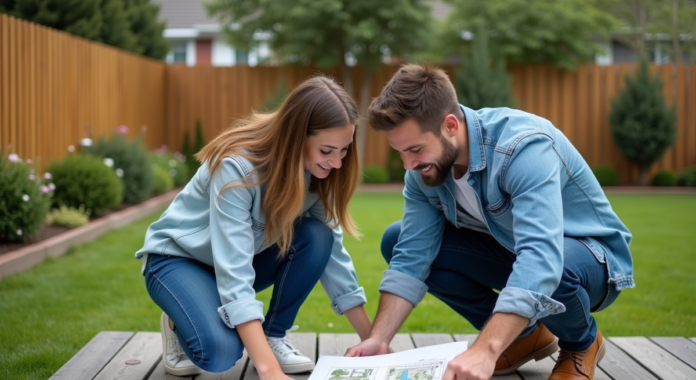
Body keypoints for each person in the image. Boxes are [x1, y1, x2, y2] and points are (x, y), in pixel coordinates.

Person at [345, 64, 634, 380]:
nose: (409, 164)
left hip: (592, 261)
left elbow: (541, 257)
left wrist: (485, 350)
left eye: (415, 149)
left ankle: (581, 343)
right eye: (400, 153)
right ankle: (526, 337)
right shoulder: (423, 172)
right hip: (516, 252)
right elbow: (412, 255)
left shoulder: (523, 148)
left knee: (556, 264)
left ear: (450, 125)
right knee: (396, 237)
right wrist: (379, 338)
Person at [136, 76, 372, 378]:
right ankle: (176, 319)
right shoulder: (237, 168)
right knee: (220, 354)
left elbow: (334, 258)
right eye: (326, 151)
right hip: (178, 261)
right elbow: (234, 272)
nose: (338, 163)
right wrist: (269, 371)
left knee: (318, 236)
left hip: (235, 263)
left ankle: (273, 336)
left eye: (344, 150)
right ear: (296, 136)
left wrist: (373, 340)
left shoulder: (314, 174)